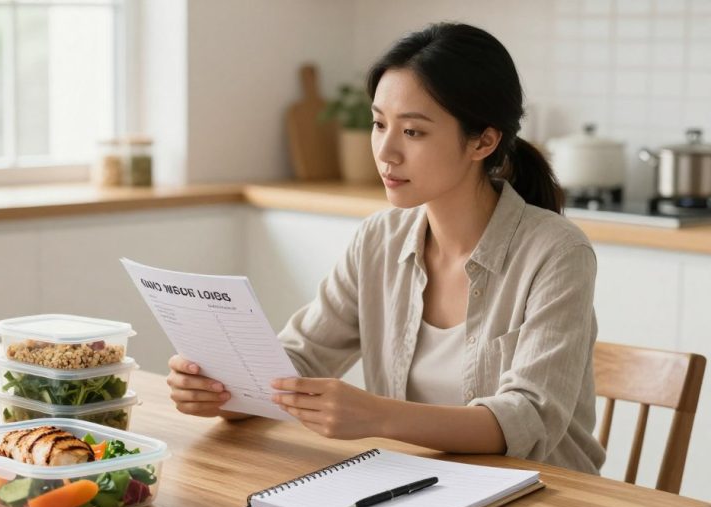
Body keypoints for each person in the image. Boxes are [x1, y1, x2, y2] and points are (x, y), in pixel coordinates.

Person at [165, 22, 606, 474]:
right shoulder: (379, 238)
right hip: (418, 491)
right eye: (379, 124)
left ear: (483, 141)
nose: (386, 152)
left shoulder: (556, 252)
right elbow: (299, 358)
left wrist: (376, 416)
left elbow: (529, 418)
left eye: (413, 132)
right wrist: (223, 392)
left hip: (548, 505)